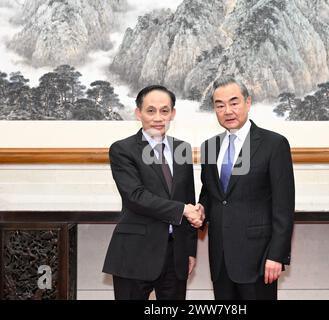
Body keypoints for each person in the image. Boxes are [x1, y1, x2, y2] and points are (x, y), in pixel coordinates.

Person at [197, 76, 295, 300]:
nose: (227, 111)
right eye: (219, 105)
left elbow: (284, 206)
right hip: (220, 258)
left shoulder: (274, 144)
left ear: (248, 103)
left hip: (259, 259)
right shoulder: (209, 147)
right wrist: (202, 208)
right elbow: (210, 194)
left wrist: (277, 255)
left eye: (234, 102)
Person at [103, 85, 203, 300]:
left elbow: (188, 199)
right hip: (134, 253)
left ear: (173, 114)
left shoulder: (182, 149)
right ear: (138, 113)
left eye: (165, 111)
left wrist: (190, 250)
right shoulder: (122, 149)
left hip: (175, 256)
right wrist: (183, 210)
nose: (158, 117)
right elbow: (136, 197)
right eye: (151, 111)